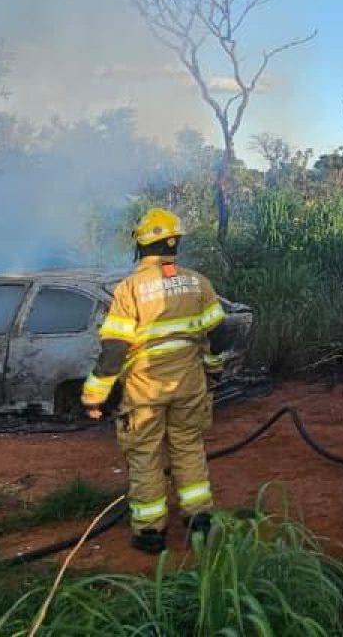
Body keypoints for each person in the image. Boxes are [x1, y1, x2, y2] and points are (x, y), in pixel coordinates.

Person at [82, 207, 228, 552]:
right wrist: (213, 367)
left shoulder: (130, 288)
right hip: (189, 384)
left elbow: (115, 350)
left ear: (142, 245)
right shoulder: (197, 282)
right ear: (173, 244)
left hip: (144, 389)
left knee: (145, 456)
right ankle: (200, 521)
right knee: (189, 448)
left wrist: (94, 395)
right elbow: (219, 335)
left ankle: (150, 533)